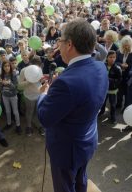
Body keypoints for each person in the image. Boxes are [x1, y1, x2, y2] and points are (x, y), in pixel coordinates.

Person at [37, 18, 108, 192]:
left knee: (65, 187)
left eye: (60, 41)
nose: (58, 46)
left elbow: (45, 118)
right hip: (87, 140)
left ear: (69, 44)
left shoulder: (66, 83)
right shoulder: (100, 67)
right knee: (81, 179)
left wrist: (44, 95)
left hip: (67, 150)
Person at [0, 60, 21, 134]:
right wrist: (1, 83)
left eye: (8, 66)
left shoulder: (13, 74)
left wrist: (9, 83)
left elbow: (16, 87)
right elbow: (0, 88)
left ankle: (18, 125)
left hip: (13, 96)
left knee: (15, 111)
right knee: (8, 111)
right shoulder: (0, 76)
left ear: (10, 66)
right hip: (5, 96)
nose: (7, 67)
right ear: (3, 67)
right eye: (5, 66)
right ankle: (9, 123)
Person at [99, 50, 122, 124]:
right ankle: (102, 111)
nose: (112, 59)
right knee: (102, 102)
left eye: (114, 57)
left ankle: (113, 116)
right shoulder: (103, 65)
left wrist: (110, 80)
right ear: (107, 58)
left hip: (113, 90)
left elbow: (119, 80)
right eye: (110, 57)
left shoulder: (117, 68)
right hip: (104, 89)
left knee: (112, 105)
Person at [115, 36, 132, 110]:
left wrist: (127, 66)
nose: (126, 47)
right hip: (120, 75)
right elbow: (116, 62)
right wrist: (121, 65)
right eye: (124, 45)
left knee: (128, 92)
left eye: (128, 45)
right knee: (119, 91)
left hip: (129, 75)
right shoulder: (118, 51)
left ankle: (126, 107)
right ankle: (118, 104)